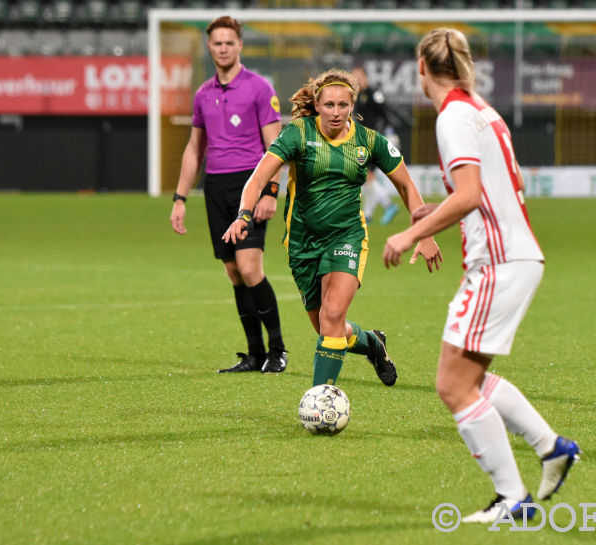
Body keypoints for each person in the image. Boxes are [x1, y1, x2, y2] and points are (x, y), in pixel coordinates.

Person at [383, 28, 580, 523]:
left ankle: (513, 498)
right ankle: (551, 448)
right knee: (469, 377)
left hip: (499, 262)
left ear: (421, 67)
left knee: (453, 385)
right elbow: (486, 190)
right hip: (513, 256)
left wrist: (411, 234)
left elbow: (470, 195)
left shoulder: (452, 118)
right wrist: (434, 210)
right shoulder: (480, 109)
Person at [223, 68, 442, 387]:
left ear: (353, 105)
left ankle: (320, 398)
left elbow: (407, 186)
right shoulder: (298, 133)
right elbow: (258, 178)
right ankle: (373, 344)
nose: (336, 112)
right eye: (329, 105)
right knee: (329, 328)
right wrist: (244, 215)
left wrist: (425, 233)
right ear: (317, 104)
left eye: (343, 105)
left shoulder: (369, 141)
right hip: (301, 244)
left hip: (347, 238)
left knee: (333, 317)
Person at [170, 16, 287, 374]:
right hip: (216, 188)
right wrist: (179, 198)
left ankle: (277, 350)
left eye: (229, 42)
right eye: (217, 43)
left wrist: (270, 193)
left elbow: (277, 147)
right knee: (234, 272)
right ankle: (253, 355)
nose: (223, 48)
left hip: (249, 186)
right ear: (210, 47)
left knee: (251, 269)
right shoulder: (203, 94)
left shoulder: (259, 88)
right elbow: (194, 149)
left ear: (240, 46)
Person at [353, 66, 399, 226]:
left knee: (367, 175)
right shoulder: (358, 96)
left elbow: (385, 114)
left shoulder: (374, 94)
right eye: (354, 76)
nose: (356, 79)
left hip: (375, 139)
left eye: (359, 75)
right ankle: (370, 215)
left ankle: (388, 205)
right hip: (364, 140)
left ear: (365, 77)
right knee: (367, 177)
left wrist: (387, 134)